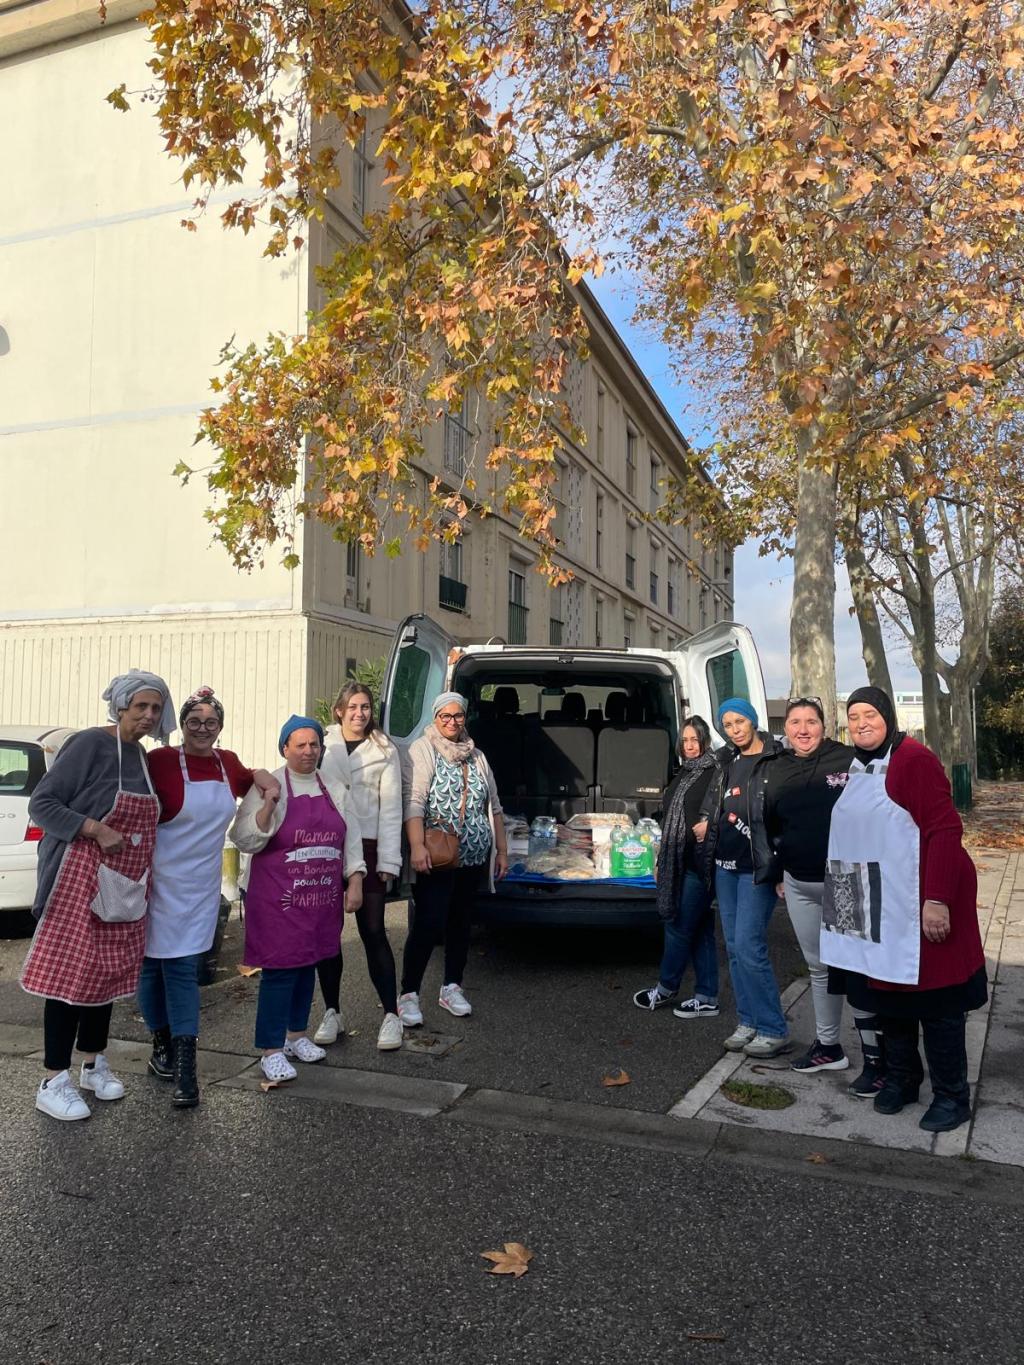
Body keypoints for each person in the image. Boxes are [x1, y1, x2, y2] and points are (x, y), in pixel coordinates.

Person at [821, 687, 986, 1133]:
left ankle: (953, 1097)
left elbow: (945, 829)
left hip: (919, 905)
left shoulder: (913, 760)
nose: (860, 723)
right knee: (888, 1000)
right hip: (879, 908)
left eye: (869, 714)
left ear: (889, 716)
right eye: (852, 716)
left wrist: (937, 900)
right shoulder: (858, 766)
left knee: (937, 1005)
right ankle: (903, 1078)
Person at [22, 670, 174, 1122]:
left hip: (124, 886)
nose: (148, 715)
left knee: (104, 978)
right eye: (140, 706)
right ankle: (52, 1079)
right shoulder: (90, 744)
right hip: (79, 879)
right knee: (68, 981)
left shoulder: (142, 757)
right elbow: (42, 803)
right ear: (121, 705)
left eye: (155, 708)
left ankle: (92, 1064)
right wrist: (95, 828)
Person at [139, 686, 280, 1108]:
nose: (202, 729)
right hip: (155, 881)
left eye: (211, 722)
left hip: (199, 887)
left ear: (220, 728)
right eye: (194, 721)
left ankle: (186, 1070)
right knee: (150, 969)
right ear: (182, 726)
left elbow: (250, 778)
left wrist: (264, 777)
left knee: (182, 970)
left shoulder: (227, 763)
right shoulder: (159, 762)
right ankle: (161, 1046)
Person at [229, 716, 366, 1083]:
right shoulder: (270, 785)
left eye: (314, 745)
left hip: (321, 896)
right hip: (276, 898)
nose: (308, 751)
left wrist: (355, 880)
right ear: (285, 748)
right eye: (300, 745)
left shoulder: (335, 787)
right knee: (279, 970)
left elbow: (350, 837)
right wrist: (269, 805)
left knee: (309, 964)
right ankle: (270, 1049)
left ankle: (295, 1035)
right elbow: (244, 839)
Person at [762, 698, 884, 1089]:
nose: (802, 729)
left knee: (854, 969)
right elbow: (774, 824)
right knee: (819, 968)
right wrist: (780, 870)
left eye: (810, 722)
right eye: (795, 722)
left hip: (844, 881)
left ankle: (876, 1060)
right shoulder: (777, 768)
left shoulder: (847, 760)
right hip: (799, 883)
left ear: (824, 725)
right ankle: (829, 1047)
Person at [399, 692, 508, 1026]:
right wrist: (416, 847)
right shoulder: (423, 749)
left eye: (457, 716)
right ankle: (408, 995)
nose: (451, 722)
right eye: (444, 716)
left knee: (461, 922)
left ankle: (452, 987)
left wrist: (501, 851)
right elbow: (414, 802)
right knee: (429, 924)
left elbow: (495, 806)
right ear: (435, 718)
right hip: (436, 856)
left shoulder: (477, 756)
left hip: (473, 857)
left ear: (465, 718)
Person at [695, 697, 788, 1057]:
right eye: (728, 725)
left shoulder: (775, 759)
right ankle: (748, 1021)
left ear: (752, 721)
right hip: (725, 866)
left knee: (750, 947)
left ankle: (773, 1028)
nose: (734, 730)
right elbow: (713, 801)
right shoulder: (725, 760)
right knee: (733, 948)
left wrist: (782, 865)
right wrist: (706, 820)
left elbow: (783, 814)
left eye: (739, 722)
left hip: (757, 867)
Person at [316, 682, 404, 1051]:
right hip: (326, 843)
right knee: (326, 932)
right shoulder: (321, 742)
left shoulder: (384, 749)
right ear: (339, 710)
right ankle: (332, 1011)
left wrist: (388, 859)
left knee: (372, 930)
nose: (359, 713)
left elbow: (392, 806)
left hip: (368, 844)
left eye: (365, 707)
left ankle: (391, 1015)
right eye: (352, 706)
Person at [633, 716, 721, 1018]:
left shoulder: (716, 771)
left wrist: (711, 824)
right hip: (678, 859)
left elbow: (728, 807)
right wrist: (662, 856)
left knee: (679, 927)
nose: (690, 745)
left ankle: (666, 987)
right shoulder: (684, 772)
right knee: (701, 930)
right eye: (685, 740)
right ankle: (707, 996)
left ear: (705, 740)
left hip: (699, 863)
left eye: (694, 739)